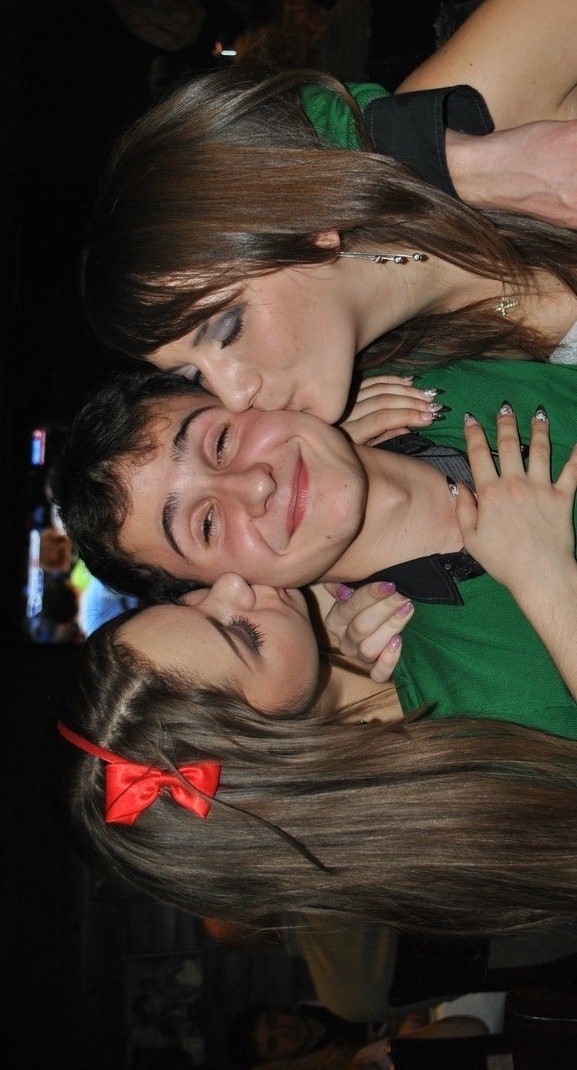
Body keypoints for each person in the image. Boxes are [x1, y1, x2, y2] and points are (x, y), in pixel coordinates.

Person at [56, 409, 577, 939]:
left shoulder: (345, 567)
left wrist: (336, 460)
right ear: (279, 751)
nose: (232, 585)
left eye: (189, 600)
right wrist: (547, 580)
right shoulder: (484, 745)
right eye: (242, 635)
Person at [81, 0, 577, 434]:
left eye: (228, 328)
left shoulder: (464, 120)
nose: (235, 397)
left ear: (308, 223)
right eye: (195, 378)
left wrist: (464, 164)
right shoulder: (426, 388)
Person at [52, 359, 577, 721]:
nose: (255, 485)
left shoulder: (426, 356)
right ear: (214, 587)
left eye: (221, 442)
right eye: (207, 524)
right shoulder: (475, 704)